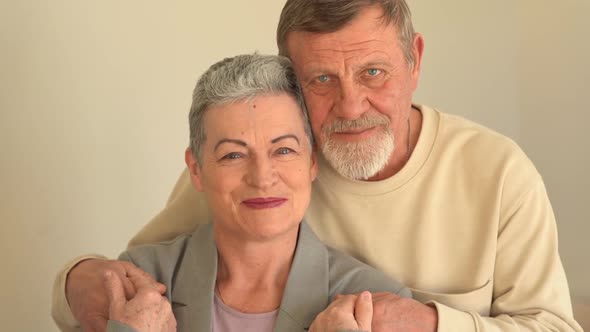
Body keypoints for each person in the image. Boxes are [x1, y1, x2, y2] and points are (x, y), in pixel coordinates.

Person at [52, 0, 582, 331]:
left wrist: (430, 323)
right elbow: (135, 271)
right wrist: (77, 279)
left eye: (373, 72)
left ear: (414, 60)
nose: (351, 106)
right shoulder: (255, 168)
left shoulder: (498, 172)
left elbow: (556, 328)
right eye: (322, 80)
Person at [101, 53, 410, 332]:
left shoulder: (375, 301)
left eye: (284, 150)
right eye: (233, 155)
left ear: (312, 162)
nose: (262, 178)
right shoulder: (138, 281)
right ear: (196, 170)